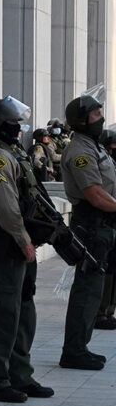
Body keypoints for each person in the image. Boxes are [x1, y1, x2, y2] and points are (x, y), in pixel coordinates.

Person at [0, 95, 54, 403]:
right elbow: (6, 206)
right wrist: (23, 240)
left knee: (24, 312)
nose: (19, 128)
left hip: (18, 242)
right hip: (4, 243)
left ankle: (20, 375)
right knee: (4, 315)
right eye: (13, 123)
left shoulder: (13, 152)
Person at [59, 95, 116, 370]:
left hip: (103, 224)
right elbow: (94, 194)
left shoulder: (94, 146)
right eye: (95, 115)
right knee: (87, 288)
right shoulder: (81, 151)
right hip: (91, 223)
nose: (101, 118)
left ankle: (80, 346)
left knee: (96, 288)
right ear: (81, 121)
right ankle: (74, 351)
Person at [94, 129, 116, 330]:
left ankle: (108, 310)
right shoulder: (100, 161)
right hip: (103, 220)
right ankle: (100, 312)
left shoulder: (109, 161)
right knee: (105, 267)